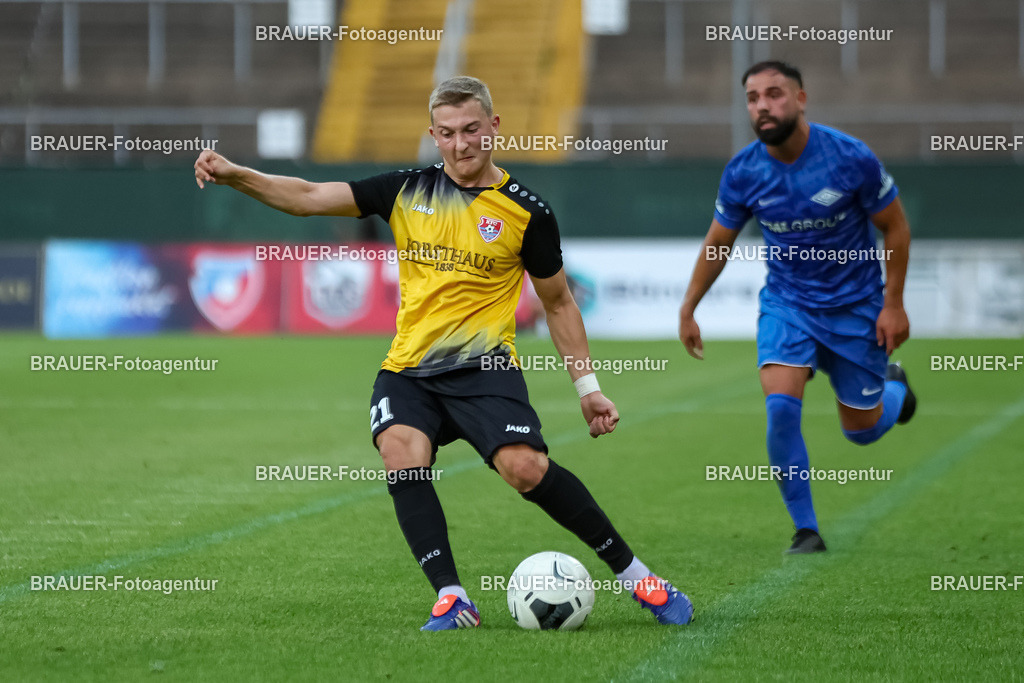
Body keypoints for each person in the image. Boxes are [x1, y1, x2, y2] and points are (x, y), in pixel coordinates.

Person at [194, 76, 693, 628]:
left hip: (485, 368)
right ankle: (453, 598)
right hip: (409, 371)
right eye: (449, 133)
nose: (462, 144)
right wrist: (237, 176)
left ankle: (638, 578)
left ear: (494, 127)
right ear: (434, 135)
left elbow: (558, 304)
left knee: (524, 468)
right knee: (401, 452)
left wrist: (588, 389)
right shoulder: (405, 189)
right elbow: (310, 197)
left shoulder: (528, 213)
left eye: (472, 130)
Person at [678, 61, 916, 554]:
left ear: (801, 99)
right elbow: (719, 241)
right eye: (752, 97)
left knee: (863, 433)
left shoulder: (849, 158)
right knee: (781, 409)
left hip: (856, 309)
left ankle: (895, 390)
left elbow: (895, 227)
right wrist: (689, 306)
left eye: (774, 94)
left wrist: (893, 304)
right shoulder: (744, 171)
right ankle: (806, 530)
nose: (762, 105)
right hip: (789, 307)